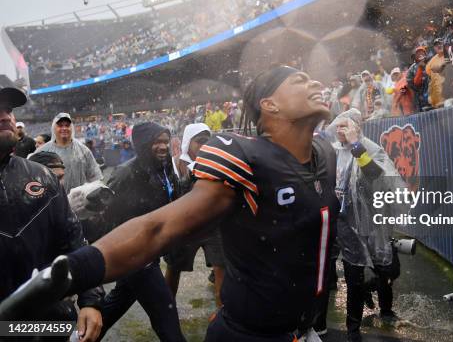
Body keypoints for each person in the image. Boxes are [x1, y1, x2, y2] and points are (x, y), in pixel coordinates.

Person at [12, 66, 340, 342]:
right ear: (270, 105)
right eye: (299, 80)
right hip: (250, 333)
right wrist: (76, 271)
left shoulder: (325, 154)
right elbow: (158, 227)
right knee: (157, 311)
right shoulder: (243, 156)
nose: (314, 83)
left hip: (303, 330)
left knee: (128, 302)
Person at [0, 85, 104, 342]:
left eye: (9, 110)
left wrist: (90, 299)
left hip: (48, 321)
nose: (5, 116)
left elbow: (73, 239)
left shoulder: (40, 175)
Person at [98, 122, 185, 341]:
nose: (163, 146)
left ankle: (80, 336)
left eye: (165, 141)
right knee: (167, 319)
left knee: (113, 307)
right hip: (136, 255)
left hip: (149, 253)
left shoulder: (164, 168)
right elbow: (106, 215)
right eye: (157, 141)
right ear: (144, 144)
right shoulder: (126, 172)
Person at [323, 109, 404, 342]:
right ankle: (353, 329)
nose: (340, 131)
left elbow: (377, 178)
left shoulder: (369, 148)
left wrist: (356, 146)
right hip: (345, 225)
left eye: (344, 126)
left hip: (372, 224)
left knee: (383, 268)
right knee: (353, 276)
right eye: (337, 126)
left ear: (357, 128)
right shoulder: (334, 152)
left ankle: (386, 310)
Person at [165, 123, 226, 312]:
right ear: (188, 142)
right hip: (184, 226)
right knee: (174, 268)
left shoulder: (216, 162)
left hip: (212, 225)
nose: (203, 145)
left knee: (220, 268)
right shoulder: (175, 164)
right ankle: (166, 310)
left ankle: (223, 315)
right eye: (199, 141)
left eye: (207, 141)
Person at [35, 113, 103, 194]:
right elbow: (34, 180)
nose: (64, 128)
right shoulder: (42, 151)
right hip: (53, 202)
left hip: (79, 202)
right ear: (54, 128)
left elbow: (95, 177)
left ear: (72, 128)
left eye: (67, 125)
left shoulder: (83, 150)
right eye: (60, 125)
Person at [406, 46, 429, 111]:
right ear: (415, 56)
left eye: (422, 52)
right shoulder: (412, 69)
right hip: (419, 99)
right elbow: (412, 84)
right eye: (418, 53)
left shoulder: (431, 62)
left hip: (432, 94)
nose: (420, 54)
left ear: (425, 54)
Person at [425, 38, 446, 107]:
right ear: (434, 48)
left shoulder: (450, 54)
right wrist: (430, 96)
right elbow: (430, 81)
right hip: (438, 99)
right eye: (436, 45)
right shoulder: (430, 63)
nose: (439, 46)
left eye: (440, 43)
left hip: (450, 94)